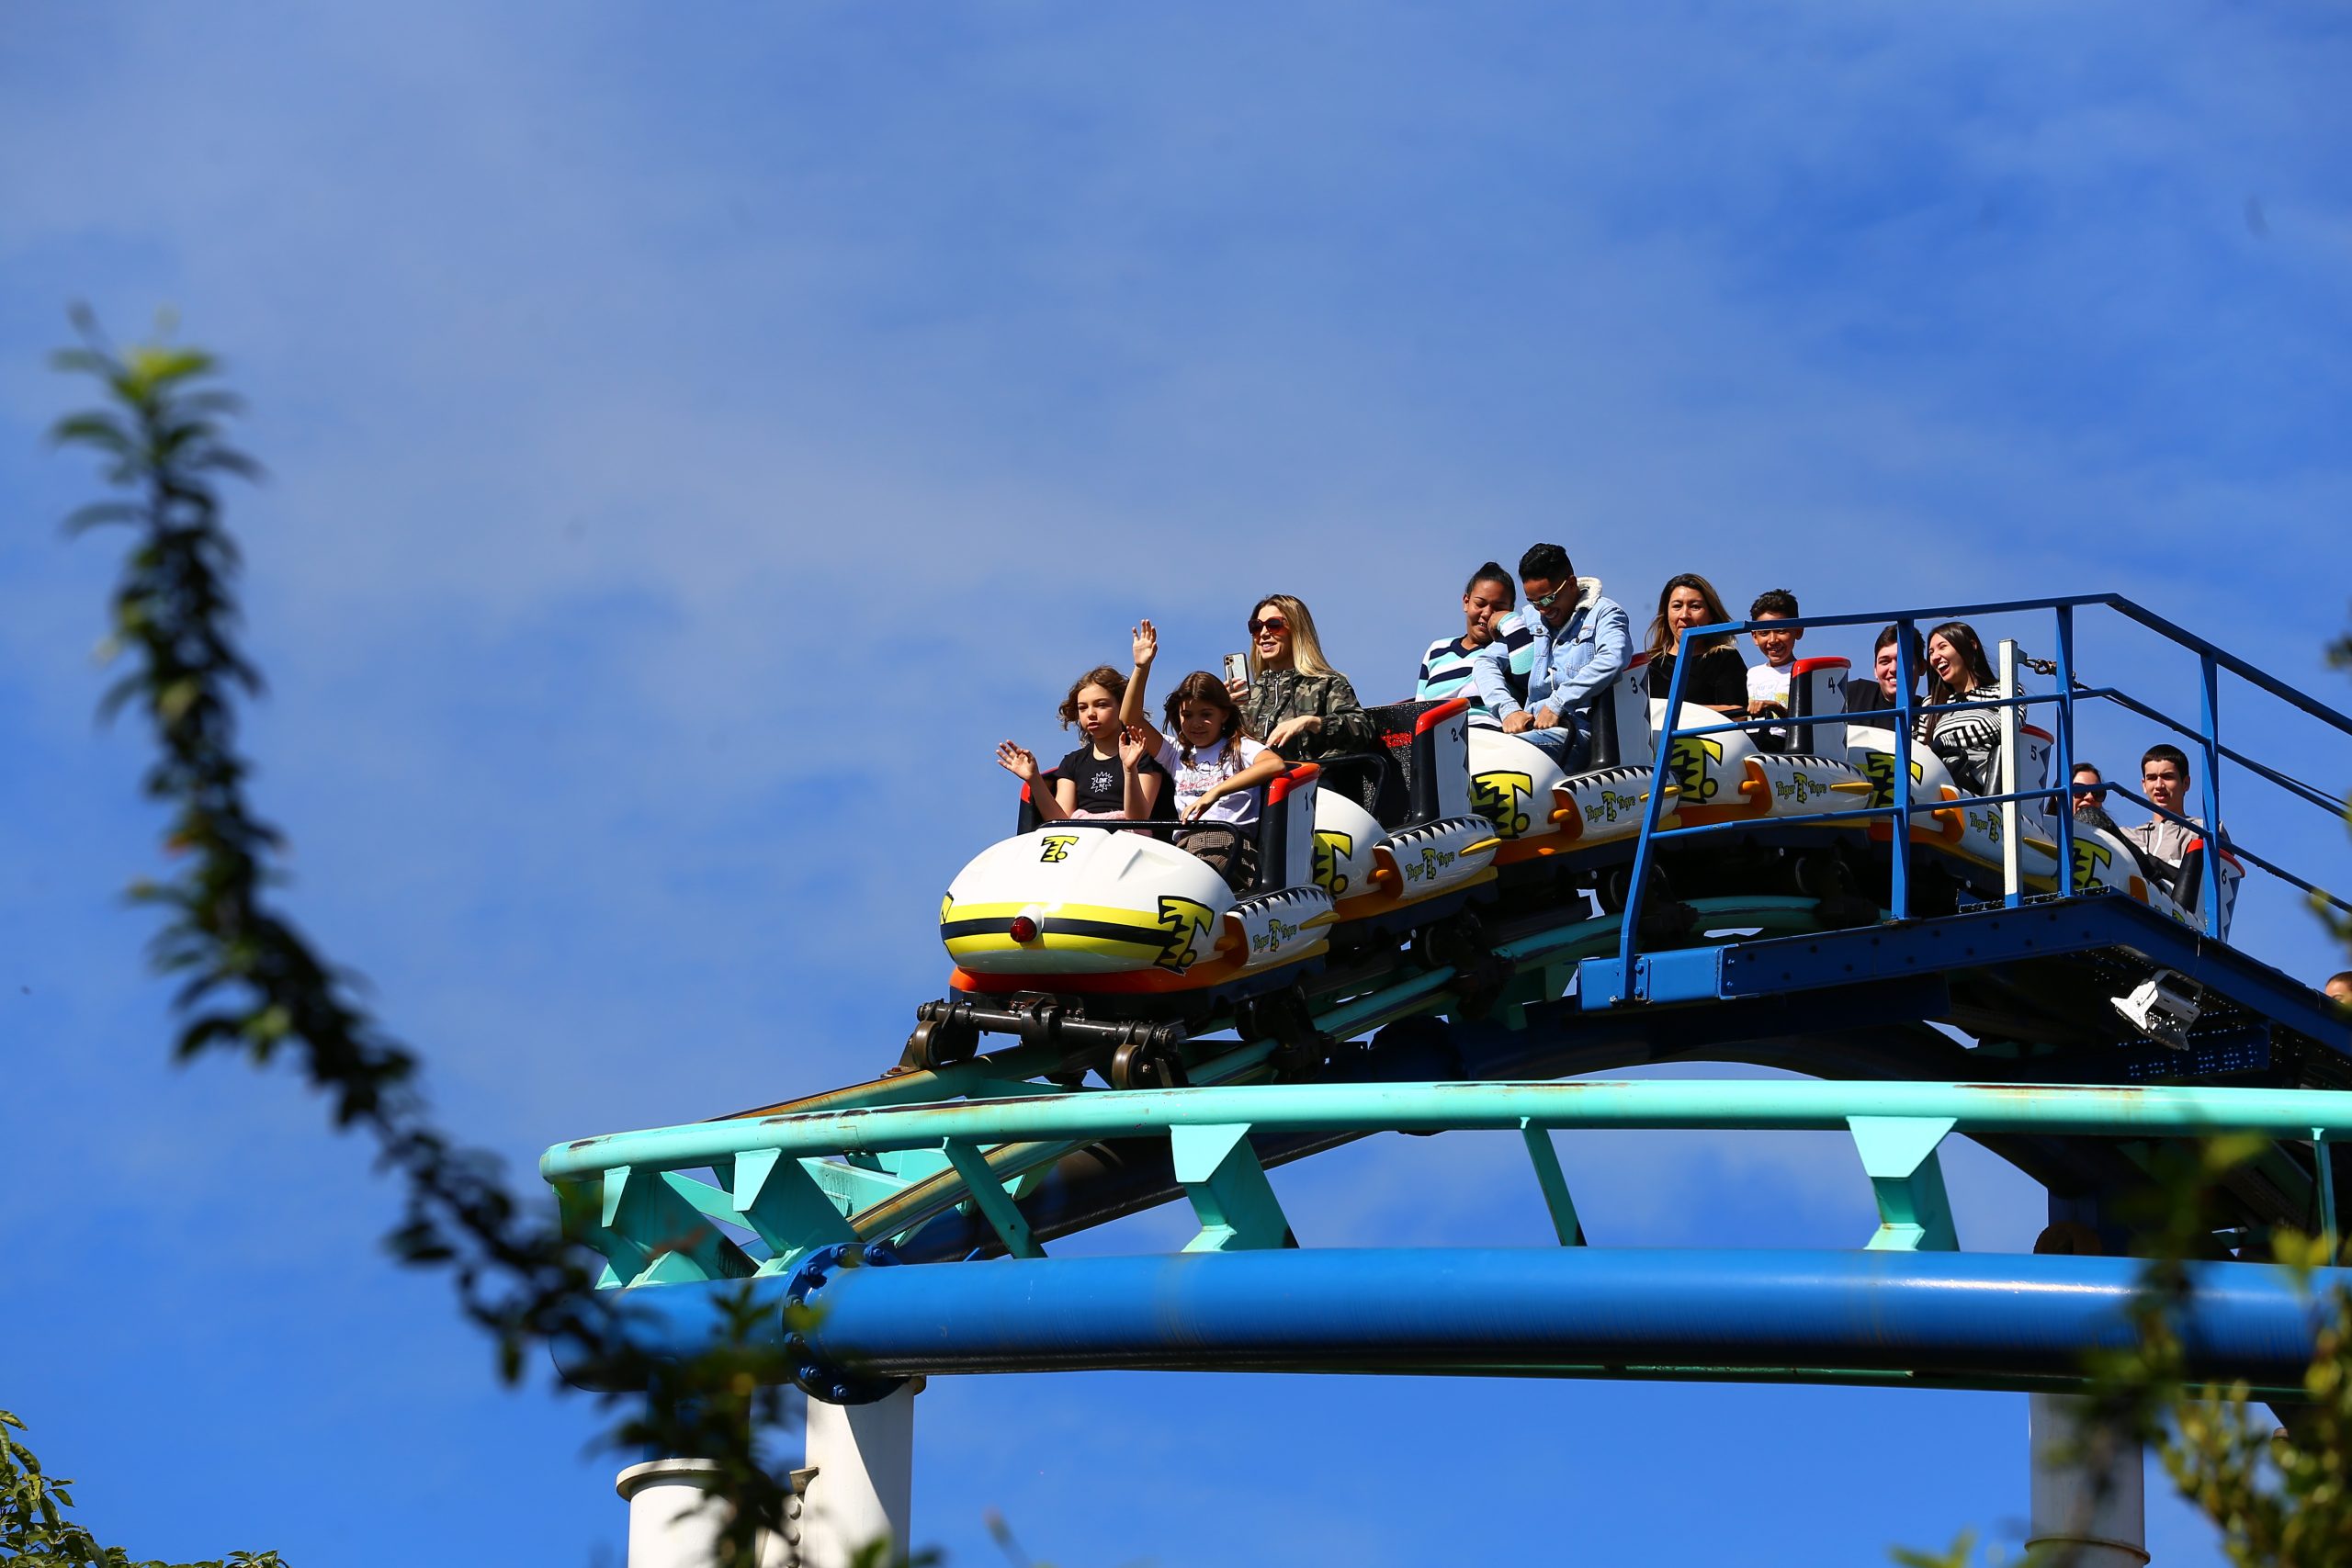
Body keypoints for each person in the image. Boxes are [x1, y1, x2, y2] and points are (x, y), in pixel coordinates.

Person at [1121, 620, 1288, 892]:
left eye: (1206, 715)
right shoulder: (1177, 753)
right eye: (1187, 715)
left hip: (1231, 847)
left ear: (1224, 713)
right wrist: (1142, 667)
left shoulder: (1239, 747)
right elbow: (1130, 718)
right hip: (1186, 849)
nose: (1196, 723)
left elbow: (1274, 764)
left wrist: (1215, 793)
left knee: (1194, 882)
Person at [1472, 543, 1631, 771]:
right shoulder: (1530, 618)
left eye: (1547, 599)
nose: (1542, 609)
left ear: (1572, 584)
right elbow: (1486, 662)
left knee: (1503, 761)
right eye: (1533, 602)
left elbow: (1613, 659)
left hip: (1579, 734)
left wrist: (1558, 703)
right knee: (1472, 759)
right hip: (1531, 731)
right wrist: (1508, 710)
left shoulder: (1604, 613)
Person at [994, 664, 1169, 821]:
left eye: (1101, 705)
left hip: (1128, 842)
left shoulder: (1143, 756)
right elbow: (1060, 820)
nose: (1090, 713)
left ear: (1122, 707)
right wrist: (1034, 780)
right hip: (1082, 841)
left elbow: (1138, 818)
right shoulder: (1073, 763)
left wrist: (1130, 769)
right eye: (1083, 708)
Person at [1231, 593, 1377, 764]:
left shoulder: (1326, 682)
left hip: (1312, 782)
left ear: (1296, 629)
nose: (1263, 633)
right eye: (1256, 627)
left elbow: (1363, 729)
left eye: (1273, 625)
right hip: (1254, 787)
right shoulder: (1247, 696)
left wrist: (1311, 722)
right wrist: (1223, 713)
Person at [1417, 562, 1534, 727]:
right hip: (1437, 745)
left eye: (1498, 608)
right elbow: (1417, 710)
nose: (1486, 613)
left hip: (1490, 738)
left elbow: (1531, 682)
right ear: (1466, 602)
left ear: (1510, 609)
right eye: (1480, 604)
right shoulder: (1436, 650)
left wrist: (1509, 622)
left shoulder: (1514, 647)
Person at [2120, 744, 2230, 897]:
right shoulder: (2128, 835)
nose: (2159, 785)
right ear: (2144, 785)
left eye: (2167, 777)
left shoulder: (2206, 830)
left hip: (2178, 913)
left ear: (2186, 783)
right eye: (2152, 778)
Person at [1916, 620, 2007, 795]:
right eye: (1931, 652)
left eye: (1942, 647)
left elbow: (2006, 724)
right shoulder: (1930, 705)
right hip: (1941, 782)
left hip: (1981, 787)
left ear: (1971, 645)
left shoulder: (2004, 690)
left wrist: (1944, 743)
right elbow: (1922, 751)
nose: (1934, 657)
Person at [1644, 573, 1747, 718]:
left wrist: (1679, 712)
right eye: (1677, 606)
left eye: (1695, 606)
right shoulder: (1649, 664)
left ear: (1711, 614)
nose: (1684, 615)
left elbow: (1738, 714)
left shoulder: (1725, 658)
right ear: (1666, 614)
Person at [1745, 589, 1804, 752]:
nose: (1772, 640)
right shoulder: (1753, 674)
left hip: (1782, 744)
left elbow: (1805, 726)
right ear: (1755, 637)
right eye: (1764, 633)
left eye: (1781, 630)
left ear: (1798, 631)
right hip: (1751, 741)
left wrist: (1776, 707)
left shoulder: (1804, 673)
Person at [1846, 624, 1928, 721]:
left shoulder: (1932, 716)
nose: (1893, 669)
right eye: (1885, 662)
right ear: (1875, 670)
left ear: (1922, 667)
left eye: (1903, 661)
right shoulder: (1854, 695)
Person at [2069, 762, 2122, 833]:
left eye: (2098, 793)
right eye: (2080, 790)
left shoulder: (2115, 841)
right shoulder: (2049, 833)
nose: (2090, 797)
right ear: (2058, 797)